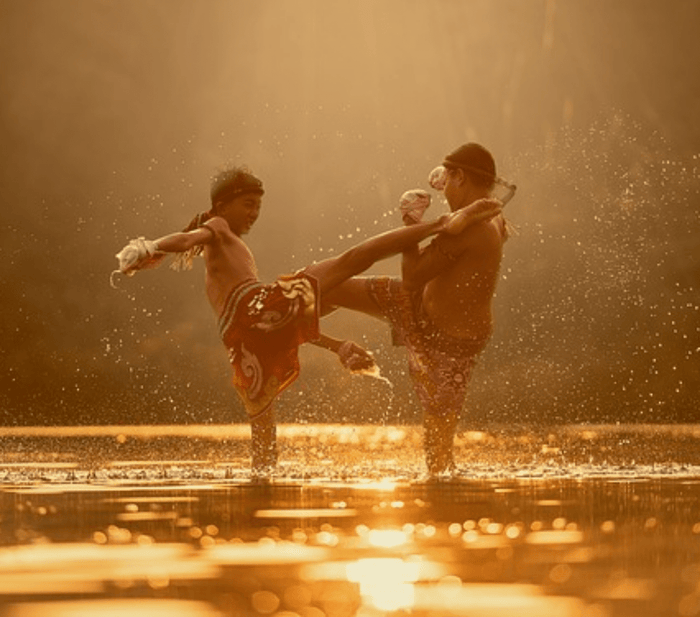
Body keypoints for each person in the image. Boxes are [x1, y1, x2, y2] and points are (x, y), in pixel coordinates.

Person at [114, 165, 502, 475]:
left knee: (264, 454)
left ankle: (259, 504)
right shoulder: (216, 227)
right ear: (221, 206)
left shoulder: (220, 252)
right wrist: (150, 246)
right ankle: (437, 224)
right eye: (248, 204)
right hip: (257, 305)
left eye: (257, 206)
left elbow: (278, 328)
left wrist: (338, 347)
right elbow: (185, 240)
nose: (254, 213)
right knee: (353, 259)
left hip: (245, 342)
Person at [320, 143, 513, 476]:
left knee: (438, 460)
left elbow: (411, 277)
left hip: (446, 342)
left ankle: (445, 510)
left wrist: (411, 223)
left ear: (460, 178)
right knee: (331, 286)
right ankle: (286, 319)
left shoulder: (473, 227)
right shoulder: (494, 216)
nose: (445, 194)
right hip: (422, 309)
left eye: (447, 182)